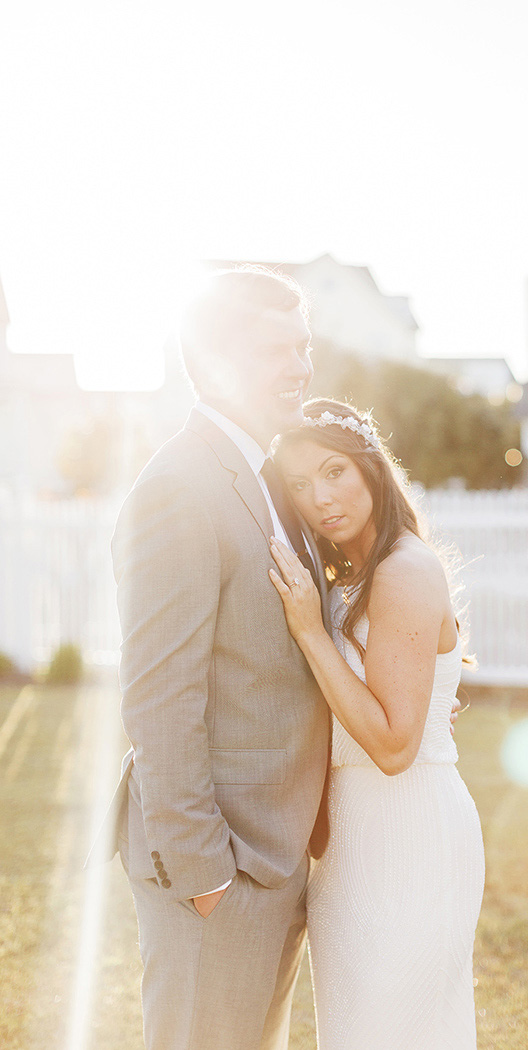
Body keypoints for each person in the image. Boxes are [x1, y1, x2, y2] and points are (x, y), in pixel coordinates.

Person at [88, 266, 332, 1050]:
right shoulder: (178, 488)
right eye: (277, 350)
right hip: (218, 873)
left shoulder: (267, 477)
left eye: (305, 347)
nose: (301, 366)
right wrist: (206, 879)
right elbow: (159, 697)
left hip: (278, 857)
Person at [269, 398, 485, 1050]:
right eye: (301, 485)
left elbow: (394, 746)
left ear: (370, 466)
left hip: (406, 835)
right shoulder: (356, 572)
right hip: (354, 843)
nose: (321, 498)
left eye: (334, 472)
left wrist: (310, 632)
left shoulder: (403, 569)